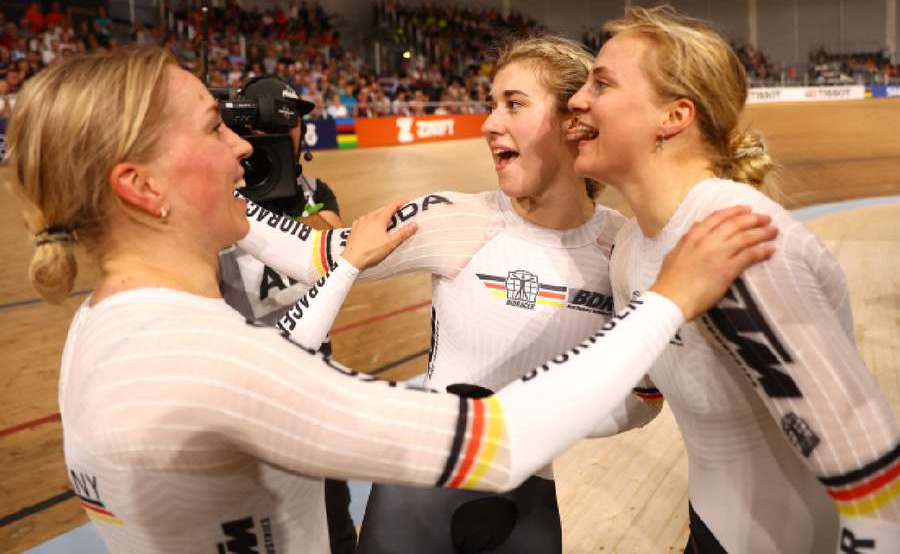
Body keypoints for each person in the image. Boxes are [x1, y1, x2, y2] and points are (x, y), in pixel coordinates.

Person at [9, 47, 775, 553]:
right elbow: (500, 439)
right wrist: (669, 300)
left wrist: (337, 261)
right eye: (216, 127)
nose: (247, 146)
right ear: (139, 187)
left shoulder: (104, 330)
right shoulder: (217, 363)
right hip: (455, 475)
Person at [237, 36, 735, 553]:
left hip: (527, 508)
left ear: (575, 120)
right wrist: (214, 187)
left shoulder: (624, 249)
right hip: (417, 496)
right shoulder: (454, 218)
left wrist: (525, 423)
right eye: (490, 103)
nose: (490, 123)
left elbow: (642, 403)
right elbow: (311, 254)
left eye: (513, 104)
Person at [566, 5, 900, 553]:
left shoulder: (739, 242)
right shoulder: (633, 247)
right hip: (711, 529)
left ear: (673, 117)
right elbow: (640, 398)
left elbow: (869, 461)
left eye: (601, 82)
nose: (578, 100)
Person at [216, 75, 356, 554]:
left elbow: (331, 242)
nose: (285, 131)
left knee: (334, 516)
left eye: (292, 121)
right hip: (248, 381)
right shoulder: (222, 193)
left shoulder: (316, 187)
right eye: (273, 120)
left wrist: (285, 198)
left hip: (315, 371)